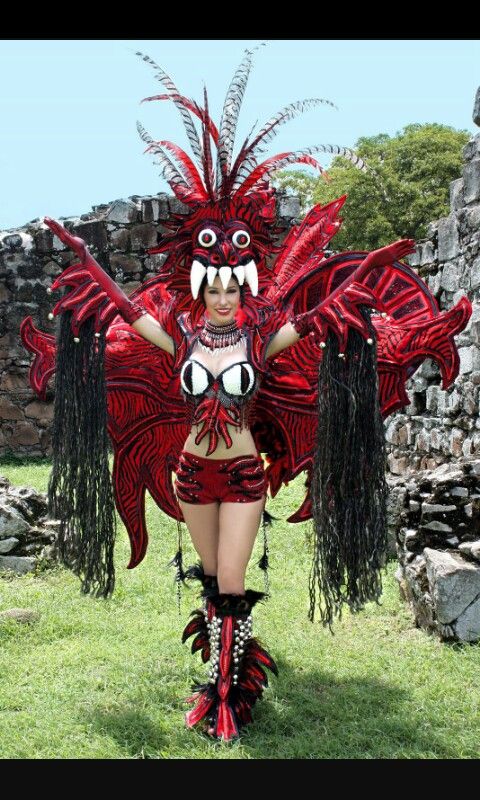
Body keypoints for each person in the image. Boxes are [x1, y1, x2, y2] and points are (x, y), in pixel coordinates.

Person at [21, 47, 470, 742]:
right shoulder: (185, 339)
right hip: (191, 472)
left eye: (235, 284)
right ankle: (221, 676)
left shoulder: (262, 341)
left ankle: (229, 698)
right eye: (215, 285)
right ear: (202, 284)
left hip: (242, 471)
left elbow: (315, 320)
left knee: (231, 580)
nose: (225, 294)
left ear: (246, 284)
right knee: (209, 580)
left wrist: (369, 271)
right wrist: (84, 262)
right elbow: (129, 315)